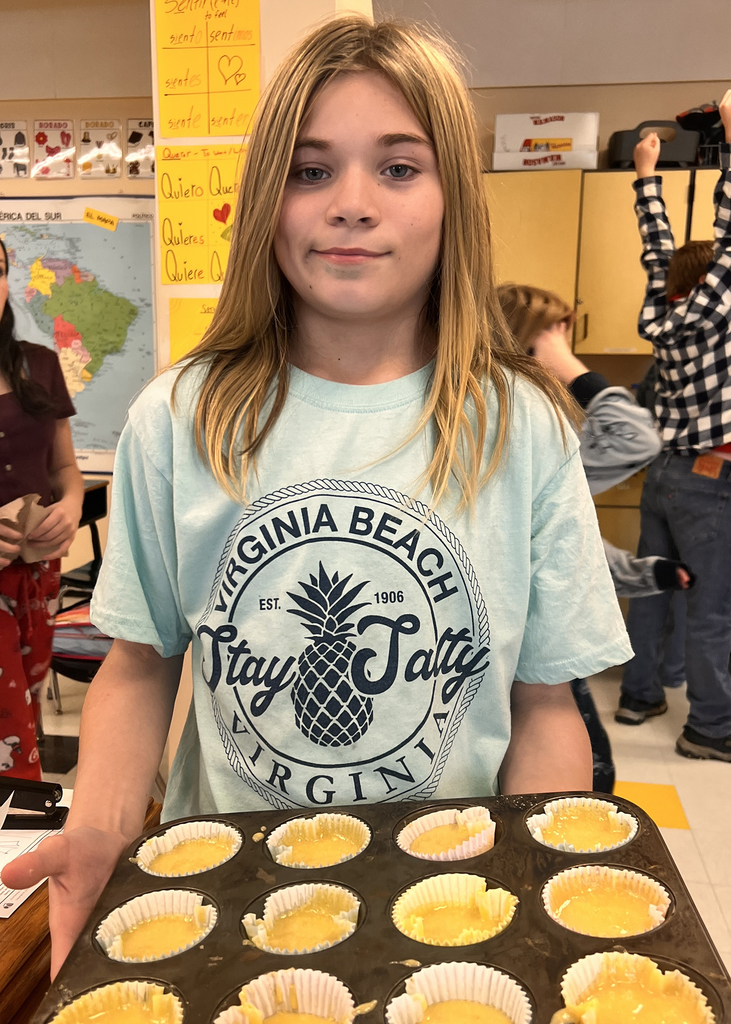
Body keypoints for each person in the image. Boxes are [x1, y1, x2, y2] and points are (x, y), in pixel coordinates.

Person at [2, 16, 630, 976]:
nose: (350, 205)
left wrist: (535, 883)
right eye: (309, 170)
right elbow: (138, 665)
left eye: (398, 167)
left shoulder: (520, 426)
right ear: (267, 200)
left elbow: (546, 705)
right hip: (228, 900)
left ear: (453, 196)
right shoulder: (181, 416)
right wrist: (97, 832)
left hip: (451, 902)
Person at [498, 282, 691, 792]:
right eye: (553, 336)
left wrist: (646, 573)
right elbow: (638, 437)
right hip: (518, 669)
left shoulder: (544, 434)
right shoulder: (526, 433)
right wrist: (566, 363)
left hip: (540, 660)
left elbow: (560, 553)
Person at [615, 92, 731, 762]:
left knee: (654, 587)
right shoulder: (716, 317)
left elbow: (658, 253)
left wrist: (645, 176)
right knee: (715, 608)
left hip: (663, 473)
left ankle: (639, 695)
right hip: (710, 478)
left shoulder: (667, 314)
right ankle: (711, 730)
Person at [0, 238, 84, 781]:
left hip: (35, 577)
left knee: (22, 718)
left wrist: (73, 506)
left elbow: (64, 471)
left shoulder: (39, 365)